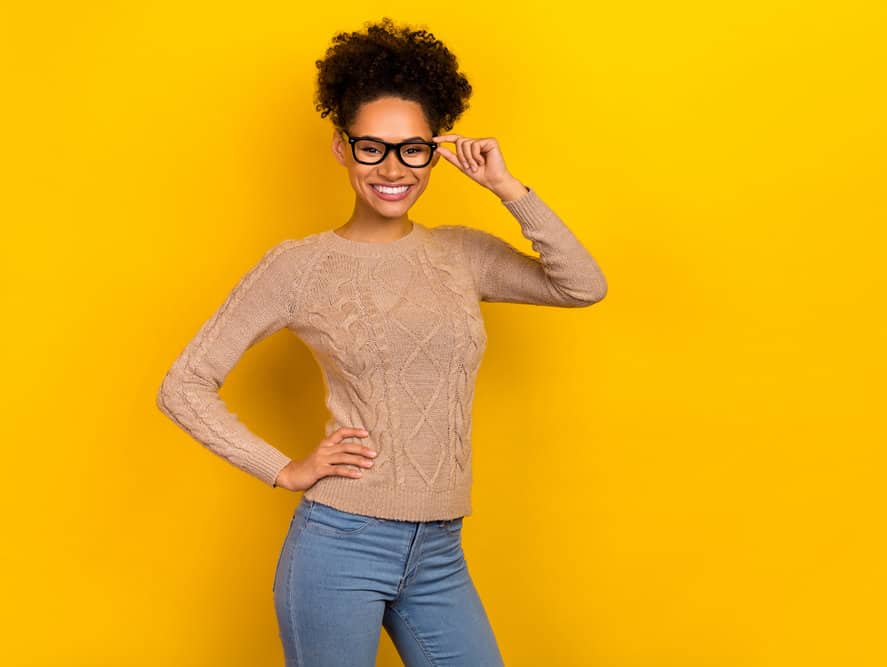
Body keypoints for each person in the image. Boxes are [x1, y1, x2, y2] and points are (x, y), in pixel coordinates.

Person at [156, 16, 607, 667]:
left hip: (440, 551)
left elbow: (582, 286)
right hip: (340, 544)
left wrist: (508, 188)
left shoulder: (462, 254)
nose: (393, 168)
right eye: (372, 147)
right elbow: (183, 385)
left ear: (436, 149)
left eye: (413, 149)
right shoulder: (299, 266)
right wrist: (284, 469)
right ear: (342, 148)